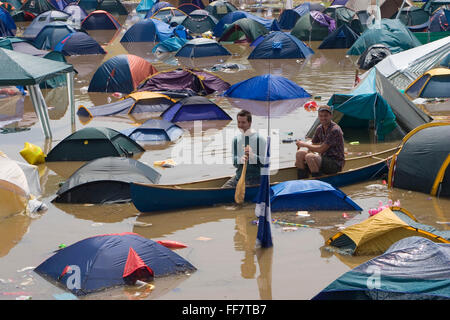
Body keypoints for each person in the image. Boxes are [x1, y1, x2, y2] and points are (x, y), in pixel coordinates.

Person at [295, 105, 345, 178]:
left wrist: (304, 145)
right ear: (318, 116)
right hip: (323, 158)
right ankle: (302, 179)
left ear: (331, 116)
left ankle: (318, 180)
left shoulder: (335, 130)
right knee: (299, 154)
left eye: (326, 116)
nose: (323, 118)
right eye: (321, 116)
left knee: (310, 157)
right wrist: (301, 149)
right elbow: (314, 144)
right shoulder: (319, 128)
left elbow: (321, 149)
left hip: (335, 163)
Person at [222, 110, 266, 188]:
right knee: (222, 190)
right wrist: (240, 160)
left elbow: (265, 163)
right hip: (238, 177)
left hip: (255, 179)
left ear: (250, 123)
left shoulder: (260, 139)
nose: (240, 125)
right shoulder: (236, 139)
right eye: (239, 122)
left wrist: (252, 156)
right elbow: (234, 162)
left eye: (243, 122)